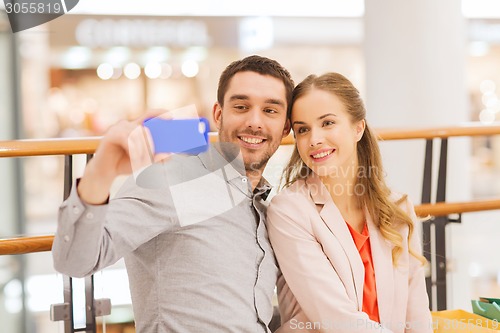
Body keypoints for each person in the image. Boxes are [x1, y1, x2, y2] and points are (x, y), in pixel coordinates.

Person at [52, 55, 294, 332]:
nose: (255, 121)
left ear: (285, 127)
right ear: (218, 114)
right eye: (241, 106)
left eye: (270, 111)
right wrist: (102, 171)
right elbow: (73, 261)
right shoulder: (171, 175)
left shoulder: (265, 208)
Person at [266, 73, 432, 333]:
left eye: (328, 123)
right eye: (303, 129)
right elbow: (337, 320)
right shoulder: (289, 210)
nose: (314, 139)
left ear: (358, 128)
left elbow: (417, 314)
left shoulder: (396, 207)